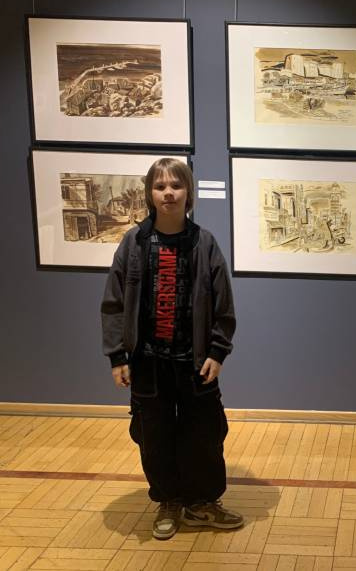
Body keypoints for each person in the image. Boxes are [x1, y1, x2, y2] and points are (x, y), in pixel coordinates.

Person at [101, 158, 242, 540]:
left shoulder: (204, 243)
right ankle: (169, 500)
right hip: (148, 363)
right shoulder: (133, 243)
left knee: (205, 434)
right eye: (160, 186)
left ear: (188, 192)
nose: (168, 193)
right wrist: (117, 355)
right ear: (150, 193)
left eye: (176, 186)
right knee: (154, 436)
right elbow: (114, 303)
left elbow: (224, 305)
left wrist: (217, 351)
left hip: (195, 363)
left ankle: (202, 502)